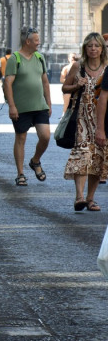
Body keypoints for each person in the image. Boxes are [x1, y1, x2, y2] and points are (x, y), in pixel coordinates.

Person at [64, 33, 107, 211]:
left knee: (98, 157)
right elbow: (64, 87)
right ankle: (79, 197)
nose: (93, 49)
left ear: (102, 49)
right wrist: (76, 85)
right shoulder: (78, 66)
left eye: (97, 46)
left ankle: (90, 199)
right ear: (85, 48)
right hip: (82, 117)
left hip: (102, 120)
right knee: (81, 155)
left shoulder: (107, 68)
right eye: (90, 46)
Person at [3, 28, 51, 187]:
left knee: (45, 137)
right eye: (36, 40)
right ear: (27, 42)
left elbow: (45, 82)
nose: (39, 42)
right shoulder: (14, 58)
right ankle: (20, 173)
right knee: (21, 138)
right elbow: (7, 83)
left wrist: (49, 104)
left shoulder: (39, 57)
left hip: (39, 106)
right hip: (21, 107)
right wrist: (12, 106)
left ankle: (35, 161)